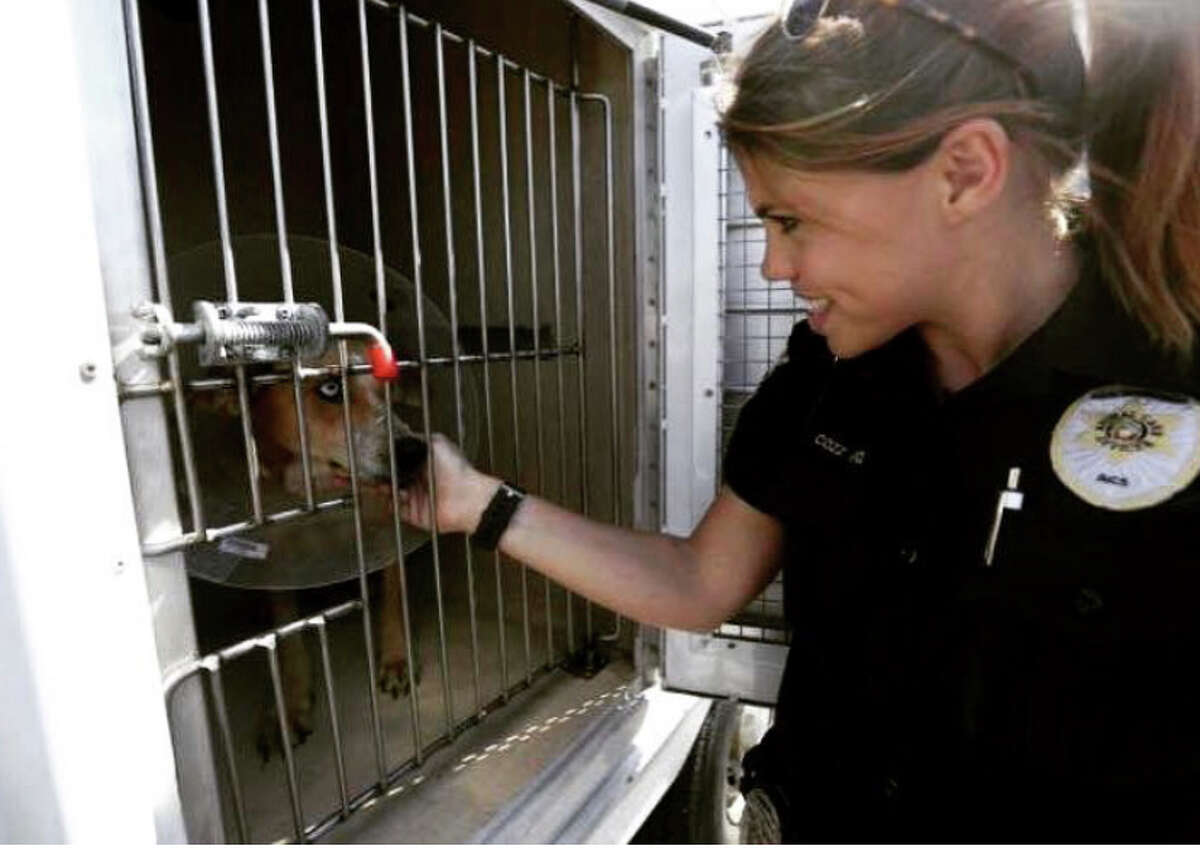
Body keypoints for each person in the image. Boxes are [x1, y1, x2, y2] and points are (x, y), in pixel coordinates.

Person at [398, 0, 1200, 840]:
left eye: (792, 221)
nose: (775, 264)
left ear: (964, 171)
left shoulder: (1166, 380)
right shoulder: (827, 378)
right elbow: (698, 583)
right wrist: (475, 504)